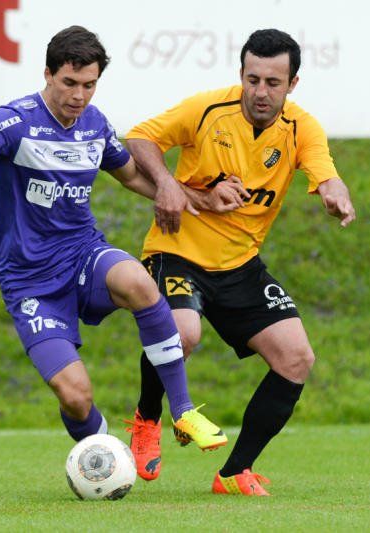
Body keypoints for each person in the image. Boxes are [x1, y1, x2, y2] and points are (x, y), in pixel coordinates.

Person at [0, 25, 228, 452]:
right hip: (30, 280)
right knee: (76, 397)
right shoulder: (17, 120)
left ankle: (181, 410)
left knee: (138, 281)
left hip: (83, 254)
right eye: (69, 83)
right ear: (48, 74)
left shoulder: (94, 124)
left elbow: (132, 175)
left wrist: (196, 198)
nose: (79, 95)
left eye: (89, 85)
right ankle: (104, 453)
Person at [123, 28, 356, 496]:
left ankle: (233, 474)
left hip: (240, 265)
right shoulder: (208, 110)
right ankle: (147, 418)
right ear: (241, 75)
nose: (260, 92)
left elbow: (326, 173)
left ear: (292, 84)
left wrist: (336, 193)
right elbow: (138, 139)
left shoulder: (301, 128)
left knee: (296, 358)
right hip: (177, 251)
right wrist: (168, 185)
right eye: (253, 80)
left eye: (273, 82)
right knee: (183, 333)